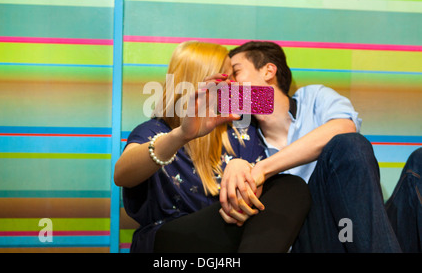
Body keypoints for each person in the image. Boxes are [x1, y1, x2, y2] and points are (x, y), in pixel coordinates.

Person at [218, 40, 421, 252]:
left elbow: (344, 127)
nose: (229, 84)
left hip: (364, 228)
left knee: (412, 159)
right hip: (310, 238)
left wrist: (263, 169)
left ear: (269, 70)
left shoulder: (313, 98)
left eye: (236, 72)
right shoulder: (239, 138)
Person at [114, 41, 311, 253]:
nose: (238, 85)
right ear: (205, 80)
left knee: (292, 186)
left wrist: (241, 166)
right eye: (230, 76)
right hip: (171, 241)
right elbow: (121, 175)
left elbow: (272, 102)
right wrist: (181, 135)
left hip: (229, 234)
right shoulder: (154, 130)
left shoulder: (242, 131)